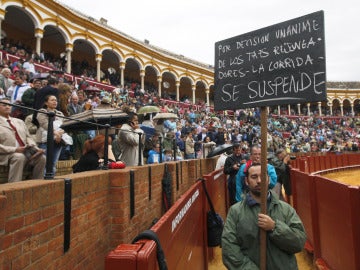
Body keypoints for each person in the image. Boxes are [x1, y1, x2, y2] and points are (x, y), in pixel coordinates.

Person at [222, 163, 306, 270]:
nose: (259, 181)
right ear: (246, 181)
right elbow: (229, 250)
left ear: (269, 179)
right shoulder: (235, 212)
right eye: (254, 177)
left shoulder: (285, 209)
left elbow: (299, 242)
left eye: (262, 176)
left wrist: (274, 228)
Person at [0, 98, 45, 182]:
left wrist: (34, 147)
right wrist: (15, 149)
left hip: (25, 151)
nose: (7, 107)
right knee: (19, 157)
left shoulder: (19, 121)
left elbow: (28, 137)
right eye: (4, 105)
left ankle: (37, 184)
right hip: (6, 154)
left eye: (9, 105)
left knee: (42, 158)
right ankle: (14, 187)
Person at [35, 95, 65, 176]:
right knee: (45, 163)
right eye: (52, 100)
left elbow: (65, 126)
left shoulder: (60, 113)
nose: (55, 102)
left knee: (53, 163)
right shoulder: (42, 112)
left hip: (58, 141)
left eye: (56, 100)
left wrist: (59, 134)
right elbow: (44, 124)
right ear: (46, 102)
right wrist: (55, 133)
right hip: (44, 141)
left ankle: (51, 181)